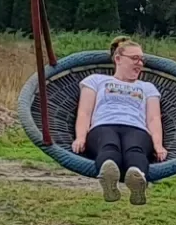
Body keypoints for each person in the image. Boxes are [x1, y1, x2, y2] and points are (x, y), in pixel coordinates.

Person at [71, 37, 168, 204]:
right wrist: (80, 137)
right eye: (135, 58)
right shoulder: (96, 80)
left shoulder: (147, 87)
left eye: (142, 60)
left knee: (135, 149)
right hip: (103, 125)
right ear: (118, 59)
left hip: (136, 128)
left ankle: (137, 179)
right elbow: (84, 112)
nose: (140, 63)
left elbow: (153, 118)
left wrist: (158, 145)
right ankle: (109, 177)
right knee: (109, 145)